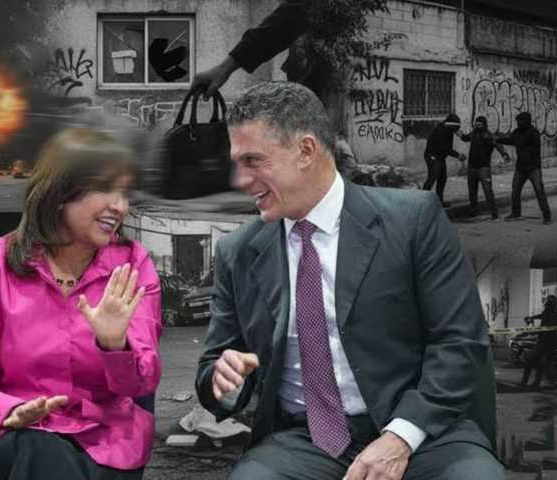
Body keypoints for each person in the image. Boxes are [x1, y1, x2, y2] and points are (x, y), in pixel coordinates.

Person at [195, 82, 502, 479]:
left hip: (423, 433)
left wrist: (401, 437)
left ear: (306, 151)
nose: (239, 180)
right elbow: (214, 367)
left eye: (253, 161)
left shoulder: (413, 221)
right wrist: (224, 380)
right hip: (302, 440)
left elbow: (460, 342)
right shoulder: (237, 252)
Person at [0, 129, 163, 480]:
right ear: (60, 191)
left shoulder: (133, 264)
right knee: (38, 450)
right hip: (6, 437)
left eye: (124, 193)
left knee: (51, 460)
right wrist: (10, 412)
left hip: (101, 441)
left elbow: (141, 384)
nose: (120, 206)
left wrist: (114, 346)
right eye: (105, 188)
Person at [496, 112, 552, 225]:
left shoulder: (533, 133)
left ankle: (547, 216)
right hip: (520, 168)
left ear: (526, 121)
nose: (518, 123)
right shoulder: (517, 132)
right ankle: (516, 213)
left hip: (533, 168)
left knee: (539, 192)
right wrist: (498, 139)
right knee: (515, 191)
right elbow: (510, 140)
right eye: (518, 121)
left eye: (520, 121)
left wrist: (519, 144)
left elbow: (533, 149)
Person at [456, 116, 510, 219]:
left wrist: (504, 154)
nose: (477, 126)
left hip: (484, 168)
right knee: (472, 192)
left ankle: (494, 213)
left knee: (488, 191)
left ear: (484, 125)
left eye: (480, 124)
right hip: (472, 167)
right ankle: (473, 211)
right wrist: (457, 131)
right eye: (476, 124)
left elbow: (498, 145)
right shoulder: (473, 134)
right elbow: (465, 138)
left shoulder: (488, 135)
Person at [520, 295, 557, 390]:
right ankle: (526, 382)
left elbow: (555, 329)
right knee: (532, 361)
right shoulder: (546, 314)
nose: (546, 307)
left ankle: (536, 383)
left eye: (548, 305)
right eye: (546, 305)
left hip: (550, 344)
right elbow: (540, 316)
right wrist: (531, 318)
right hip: (542, 342)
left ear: (552, 306)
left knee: (541, 364)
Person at [422, 114, 466, 207]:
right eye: (456, 127)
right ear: (452, 125)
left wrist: (458, 134)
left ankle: (439, 201)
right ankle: (422, 201)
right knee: (432, 178)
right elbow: (445, 148)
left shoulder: (447, 129)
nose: (457, 130)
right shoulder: (443, 131)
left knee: (442, 179)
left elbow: (446, 148)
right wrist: (458, 155)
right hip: (433, 156)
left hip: (439, 157)